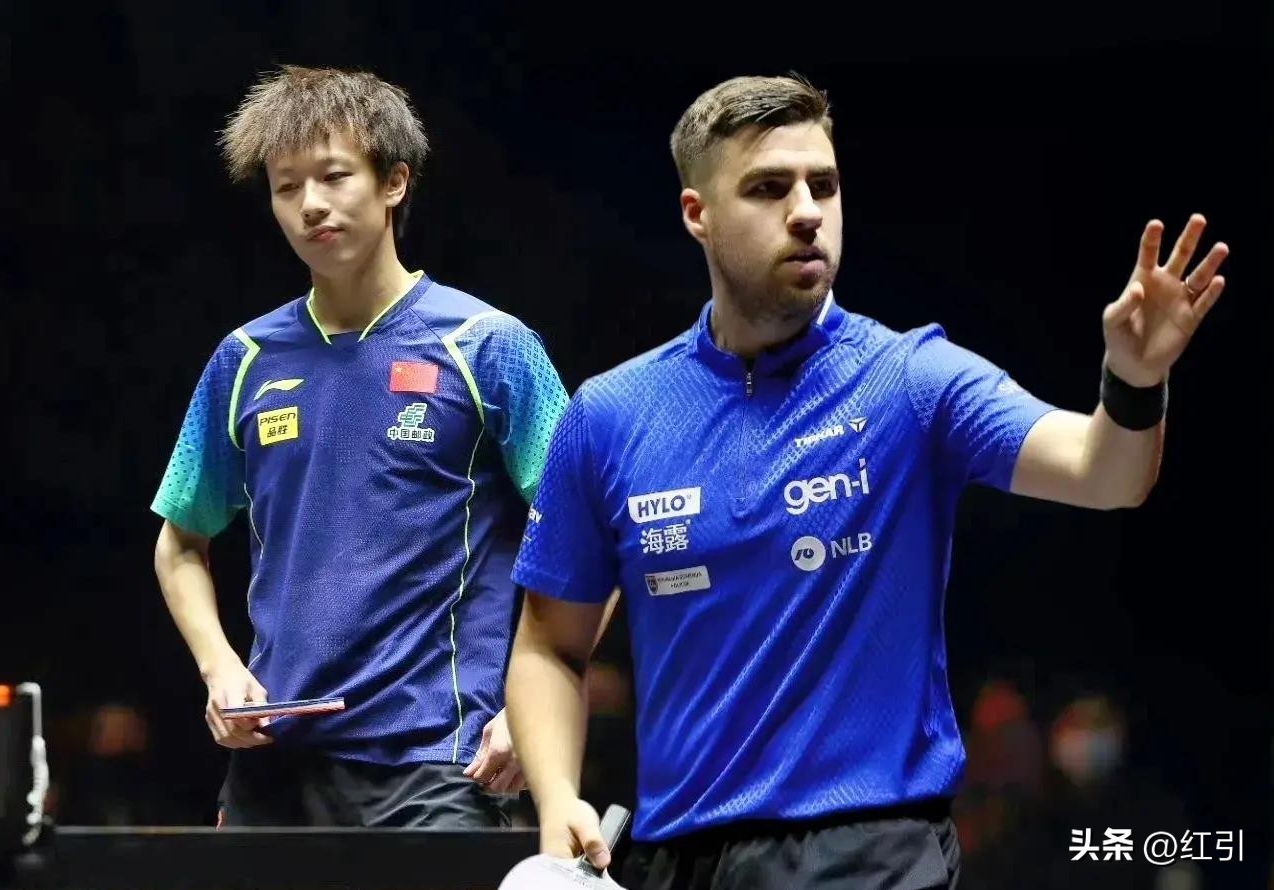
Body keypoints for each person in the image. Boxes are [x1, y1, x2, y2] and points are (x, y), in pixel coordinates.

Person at [504, 73, 1229, 888]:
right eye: (768, 189)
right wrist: (557, 799)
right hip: (673, 859)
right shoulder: (609, 414)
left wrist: (1132, 380)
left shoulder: (911, 381)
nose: (806, 211)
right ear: (696, 214)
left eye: (823, 185)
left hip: (867, 853)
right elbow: (548, 646)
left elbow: (1105, 473)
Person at [150, 64, 570, 827]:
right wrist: (219, 669)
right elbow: (180, 541)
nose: (310, 204)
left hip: (437, 759)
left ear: (393, 182)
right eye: (286, 187)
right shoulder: (244, 359)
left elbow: (584, 531)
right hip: (275, 758)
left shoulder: (488, 346)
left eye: (334, 176)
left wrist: (532, 704)